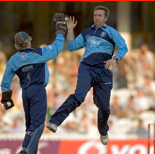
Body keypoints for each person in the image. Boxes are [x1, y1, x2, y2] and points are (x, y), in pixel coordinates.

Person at [47, 6, 128, 145]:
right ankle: (55, 121)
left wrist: (115, 58)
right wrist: (71, 30)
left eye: (99, 15)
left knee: (104, 107)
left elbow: (124, 47)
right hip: (87, 68)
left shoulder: (111, 32)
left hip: (104, 71)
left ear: (105, 18)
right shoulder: (87, 32)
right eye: (95, 15)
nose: (96, 17)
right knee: (79, 96)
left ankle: (103, 130)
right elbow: (72, 47)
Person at [0, 13, 67, 154]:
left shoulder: (14, 60)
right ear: (28, 41)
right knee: (38, 125)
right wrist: (60, 30)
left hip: (26, 93)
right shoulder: (39, 53)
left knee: (31, 127)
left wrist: (6, 98)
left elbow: (5, 80)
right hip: (38, 90)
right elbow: (57, 48)